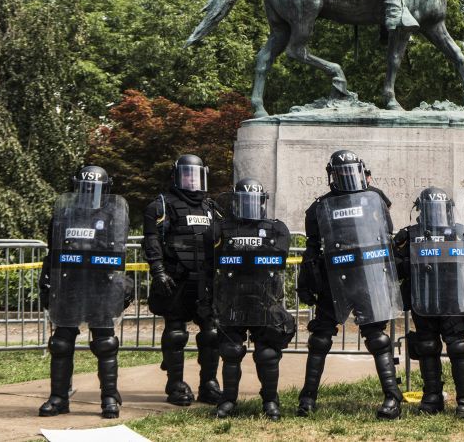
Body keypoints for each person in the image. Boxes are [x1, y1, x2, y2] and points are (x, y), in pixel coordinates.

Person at [296, 149, 404, 419]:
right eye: (341, 172)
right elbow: (311, 251)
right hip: (334, 281)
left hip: (366, 277)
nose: (346, 176)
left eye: (350, 171)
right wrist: (307, 282)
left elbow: (385, 236)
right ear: (331, 175)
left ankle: (393, 397)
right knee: (320, 339)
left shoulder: (374, 198)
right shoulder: (319, 206)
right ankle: (307, 398)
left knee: (377, 339)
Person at [38, 166, 132, 418]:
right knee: (60, 343)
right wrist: (45, 280)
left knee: (105, 344)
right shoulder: (65, 213)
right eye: (85, 187)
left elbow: (117, 249)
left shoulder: (113, 214)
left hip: (100, 286)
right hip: (69, 284)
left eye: (95, 188)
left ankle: (109, 398)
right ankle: (58, 398)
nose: (90, 192)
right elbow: (53, 250)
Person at [205, 178, 296, 420]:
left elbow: (279, 256)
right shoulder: (221, 228)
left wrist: (243, 251)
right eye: (244, 202)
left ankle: (270, 401)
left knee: (267, 354)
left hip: (265, 300)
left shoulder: (277, 228)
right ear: (235, 203)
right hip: (232, 299)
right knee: (231, 351)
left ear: (263, 202)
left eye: (254, 201)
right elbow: (210, 260)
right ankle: (227, 400)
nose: (249, 206)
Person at [394, 187, 464, 418]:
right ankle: (432, 396)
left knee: (458, 346)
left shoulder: (459, 233)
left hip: (452, 299)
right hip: (423, 298)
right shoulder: (410, 235)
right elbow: (395, 267)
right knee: (427, 346)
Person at [142, 154, 222, 406]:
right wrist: (158, 271)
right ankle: (175, 385)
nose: (192, 179)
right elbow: (151, 240)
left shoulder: (211, 208)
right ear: (177, 176)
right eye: (187, 174)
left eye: (196, 174)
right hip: (175, 278)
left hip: (206, 281)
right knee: (176, 333)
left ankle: (208, 384)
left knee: (211, 333)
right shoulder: (161, 206)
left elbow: (221, 242)